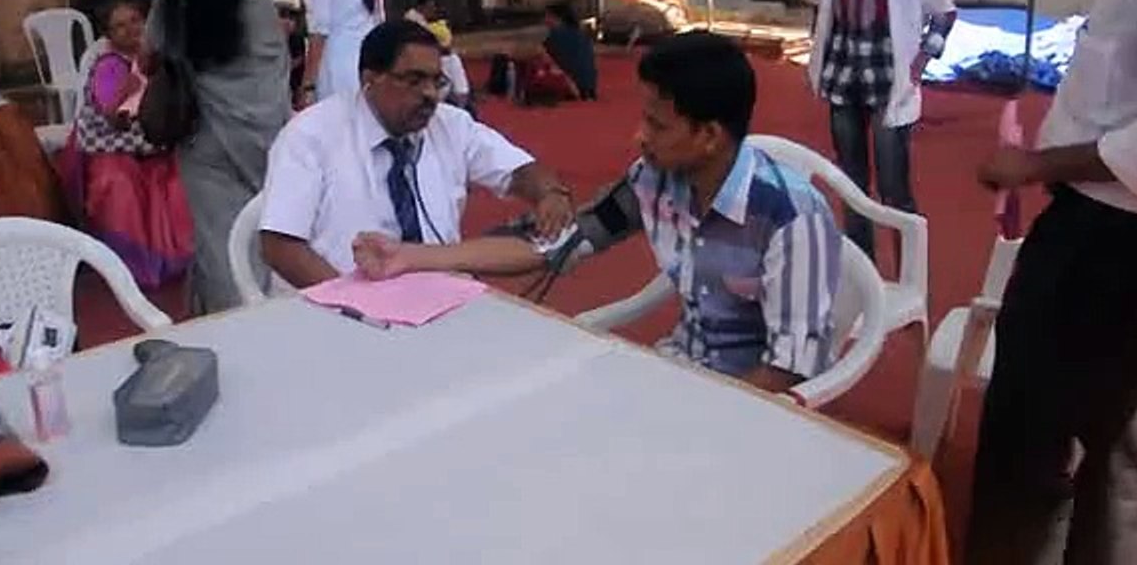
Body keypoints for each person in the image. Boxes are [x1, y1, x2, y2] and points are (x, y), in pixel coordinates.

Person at [352, 32, 842, 390]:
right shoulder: (653, 180)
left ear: (709, 135)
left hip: (749, 403)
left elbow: (789, 370)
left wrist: (699, 414)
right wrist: (407, 257)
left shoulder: (793, 218)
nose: (640, 137)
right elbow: (554, 244)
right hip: (680, 371)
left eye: (656, 124)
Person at [967, 0, 1137, 563]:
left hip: (1114, 243)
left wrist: (1034, 164)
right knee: (1109, 441)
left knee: (1040, 435)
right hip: (1098, 231)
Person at [258, 19, 573, 287]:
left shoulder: (449, 125)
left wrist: (550, 192)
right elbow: (280, 246)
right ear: (370, 79)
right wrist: (353, 304)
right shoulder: (310, 135)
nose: (430, 95)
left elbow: (519, 171)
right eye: (414, 80)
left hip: (433, 303)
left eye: (437, 81)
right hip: (334, 312)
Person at [808, 0, 956, 262]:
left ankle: (910, 278)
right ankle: (864, 279)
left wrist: (919, 66)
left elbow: (943, 12)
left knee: (894, 189)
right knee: (851, 186)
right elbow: (819, 5)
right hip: (842, 71)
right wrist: (817, 58)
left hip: (889, 74)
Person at [146, 0, 292, 314]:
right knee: (267, 230)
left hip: (207, 143)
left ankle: (228, 321)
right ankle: (266, 309)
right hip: (269, 137)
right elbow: (277, 59)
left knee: (219, 241)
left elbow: (147, 60)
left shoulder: (171, 6)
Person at [56, 0, 193, 289]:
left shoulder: (162, 59)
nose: (130, 29)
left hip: (153, 144)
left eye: (135, 20)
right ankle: (130, 266)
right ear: (109, 36)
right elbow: (113, 118)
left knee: (181, 178)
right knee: (119, 184)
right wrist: (130, 84)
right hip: (110, 146)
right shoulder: (108, 66)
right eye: (120, 26)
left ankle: (185, 258)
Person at [270, 0, 308, 108]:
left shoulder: (298, 43)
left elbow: (298, 80)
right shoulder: (258, 44)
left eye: (292, 16)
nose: (287, 21)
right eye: (282, 14)